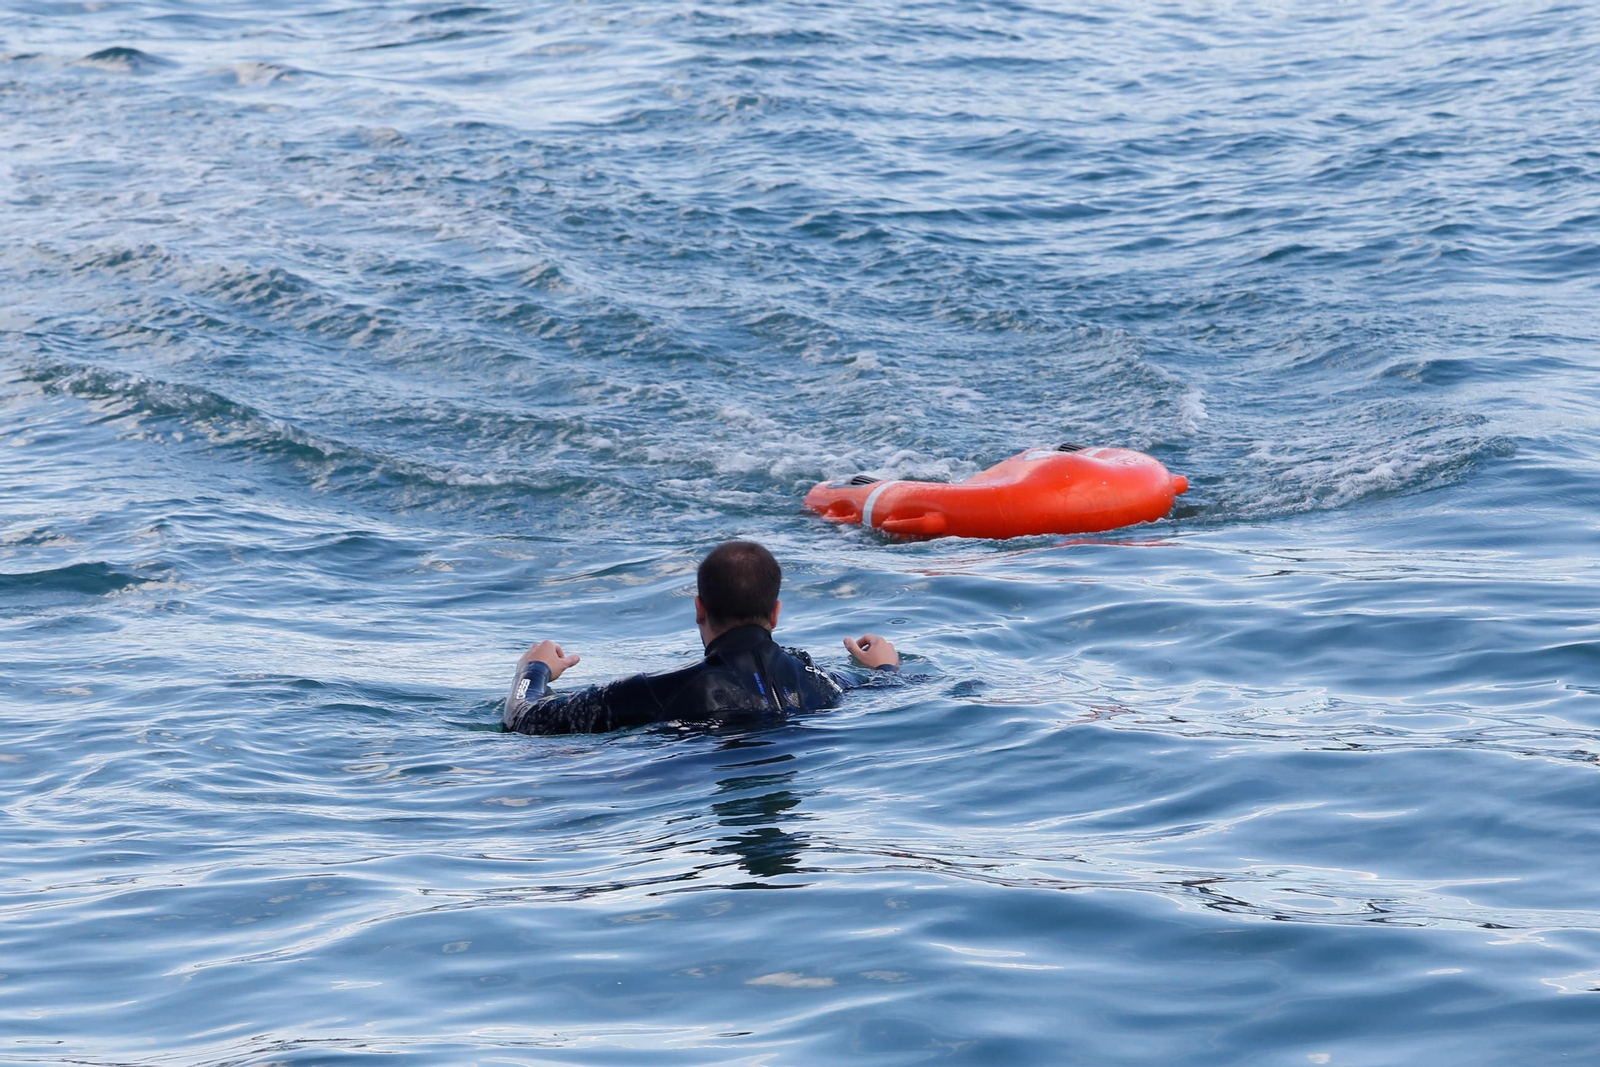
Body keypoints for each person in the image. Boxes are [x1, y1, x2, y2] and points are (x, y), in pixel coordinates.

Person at [503, 540, 900, 735]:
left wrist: (533, 668)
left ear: (698, 608)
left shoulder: (654, 691)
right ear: (776, 614)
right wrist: (886, 669)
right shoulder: (818, 679)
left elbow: (524, 719)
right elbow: (880, 692)